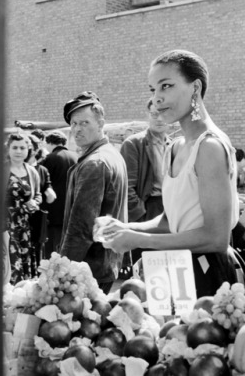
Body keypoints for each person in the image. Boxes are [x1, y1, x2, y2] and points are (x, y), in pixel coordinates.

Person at [101, 50, 240, 298]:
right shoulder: (175, 146)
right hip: (177, 270)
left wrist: (137, 240)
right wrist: (124, 228)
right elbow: (169, 222)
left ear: (195, 87)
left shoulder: (208, 147)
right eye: (153, 90)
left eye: (166, 86)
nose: (157, 98)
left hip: (208, 276)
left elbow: (216, 237)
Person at [59, 92, 128, 293]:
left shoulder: (95, 163)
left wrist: (61, 270)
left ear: (100, 124)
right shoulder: (111, 154)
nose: (77, 129)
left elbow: (81, 227)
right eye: (73, 124)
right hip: (104, 264)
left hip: (89, 269)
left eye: (84, 123)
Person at [119, 98, 171, 268]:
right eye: (154, 114)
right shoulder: (134, 144)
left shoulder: (175, 144)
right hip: (149, 209)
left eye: (163, 113)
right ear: (148, 115)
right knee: (148, 268)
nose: (159, 118)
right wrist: (141, 215)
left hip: (171, 210)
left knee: (170, 265)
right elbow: (127, 187)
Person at [4, 133, 42, 284]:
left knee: (24, 264)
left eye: (22, 148)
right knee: (8, 264)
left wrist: (34, 202)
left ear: (28, 150)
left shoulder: (32, 171)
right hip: (5, 225)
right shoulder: (1, 169)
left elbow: (38, 194)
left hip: (25, 226)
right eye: (14, 147)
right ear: (8, 149)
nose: (18, 151)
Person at [41, 130, 78, 257]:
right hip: (72, 207)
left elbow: (43, 184)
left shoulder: (49, 158)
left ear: (49, 143)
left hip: (53, 210)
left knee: (51, 248)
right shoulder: (76, 157)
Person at [26, 135, 56, 263]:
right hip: (29, 219)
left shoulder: (41, 170)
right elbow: (51, 197)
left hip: (31, 220)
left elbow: (50, 196)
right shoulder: (42, 170)